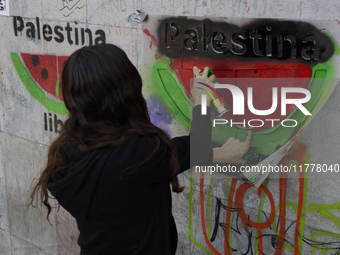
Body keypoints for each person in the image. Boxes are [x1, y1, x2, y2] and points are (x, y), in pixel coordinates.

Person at [30, 44, 251, 255]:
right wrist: (201, 102)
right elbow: (196, 147)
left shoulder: (67, 150)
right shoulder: (137, 154)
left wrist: (216, 154)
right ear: (126, 91)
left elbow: (179, 155)